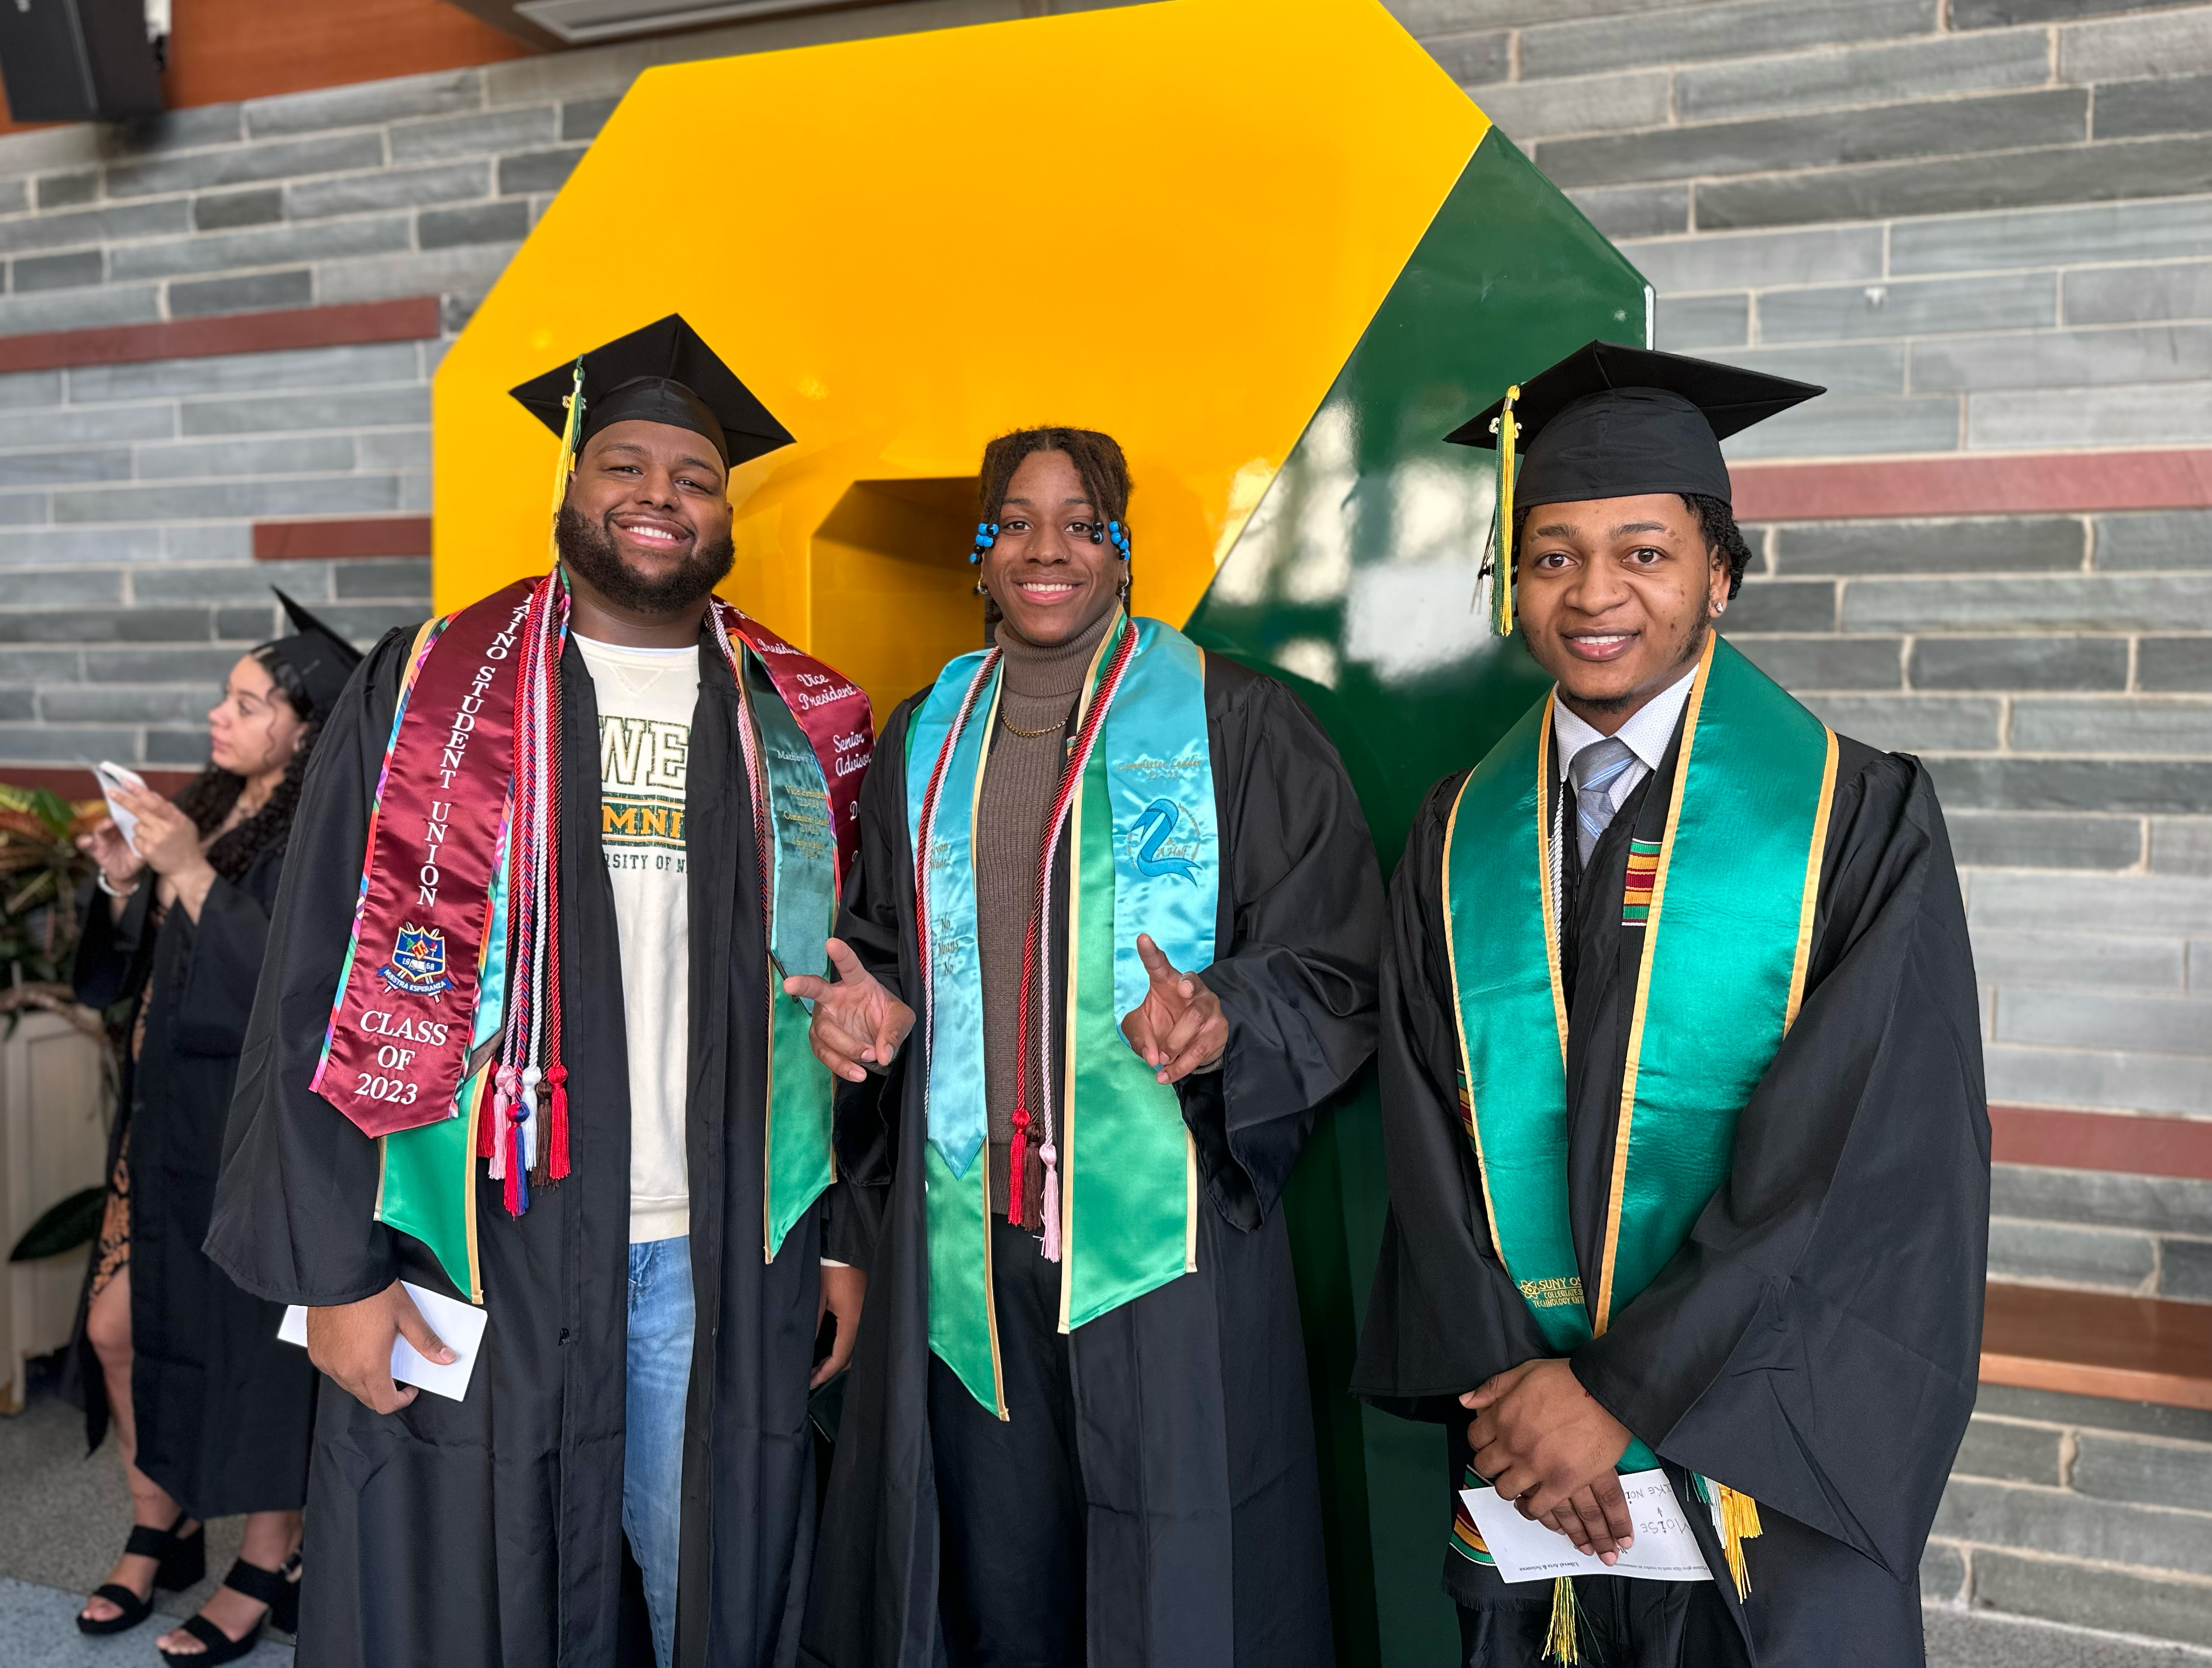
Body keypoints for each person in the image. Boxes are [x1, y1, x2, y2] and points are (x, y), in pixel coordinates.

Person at [208, 315, 877, 1668]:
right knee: (480, 1594)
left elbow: (854, 985)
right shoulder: (425, 691)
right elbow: (318, 984)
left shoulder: (798, 721)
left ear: (726, 513)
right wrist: (334, 1271)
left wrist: (846, 1226)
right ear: (570, 484)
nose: (657, 499)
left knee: (713, 1596)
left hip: (720, 1246)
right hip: (475, 1235)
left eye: (692, 480)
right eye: (622, 466)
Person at [1351, 342, 1990, 1667]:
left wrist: (1616, 1397)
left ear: (1721, 574)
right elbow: (1423, 1138)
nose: (1594, 594)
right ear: (1509, 583)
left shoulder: (1850, 822)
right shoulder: (1454, 833)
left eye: (1643, 552)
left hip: (1757, 1450)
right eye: (1551, 555)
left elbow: (1858, 1165)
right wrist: (1518, 1404)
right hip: (1526, 1463)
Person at [797, 427, 1382, 1668]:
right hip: (967, 1238)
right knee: (993, 1573)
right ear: (981, 551)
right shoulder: (925, 736)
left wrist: (1228, 1015)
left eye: (1079, 521)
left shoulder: (1234, 722)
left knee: (1170, 1572)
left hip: (1160, 1244)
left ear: (1122, 550)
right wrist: (876, 1015)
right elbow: (889, 943)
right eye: (1014, 520)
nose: (1045, 546)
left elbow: (1336, 959)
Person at [66, 595, 356, 1663]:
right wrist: (125, 877)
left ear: (306, 724)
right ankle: (166, 1516)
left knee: (254, 1352)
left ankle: (264, 1557)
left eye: (246, 702)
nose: (216, 716)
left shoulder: (330, 829)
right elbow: (129, 975)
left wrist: (187, 870)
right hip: (159, 1131)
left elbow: (287, 994)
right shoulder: (212, 805)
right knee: (123, 1332)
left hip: (254, 1140)